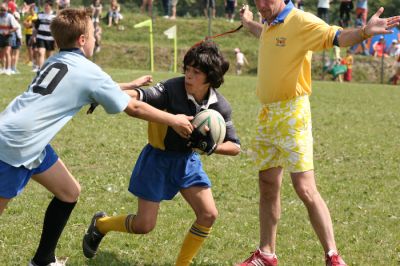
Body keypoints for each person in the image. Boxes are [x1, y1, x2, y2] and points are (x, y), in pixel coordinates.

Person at [0, 8, 193, 266]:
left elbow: (94, 87)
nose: (95, 39)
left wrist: (129, 84)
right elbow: (132, 107)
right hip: (18, 144)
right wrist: (174, 119)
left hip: (22, 135)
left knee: (69, 192)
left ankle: (43, 260)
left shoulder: (55, 61)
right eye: (93, 34)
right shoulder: (88, 71)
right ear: (82, 39)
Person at [238, 1, 400, 265]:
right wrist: (247, 22)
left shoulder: (302, 21)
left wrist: (364, 32)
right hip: (267, 114)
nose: (261, 5)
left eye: (267, 0)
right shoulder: (270, 22)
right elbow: (265, 35)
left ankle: (333, 256)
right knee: (268, 184)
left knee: (304, 187)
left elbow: (336, 36)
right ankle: (266, 254)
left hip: (293, 114)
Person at [82, 41, 241, 266]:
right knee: (144, 225)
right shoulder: (171, 89)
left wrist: (211, 147)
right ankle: (101, 225)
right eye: (187, 69)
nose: (188, 75)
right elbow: (139, 96)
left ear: (210, 78)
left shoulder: (219, 106)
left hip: (188, 162)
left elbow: (235, 146)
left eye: (196, 72)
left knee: (208, 214)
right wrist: (109, 95)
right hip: (157, 161)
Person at [32, 0, 56, 71]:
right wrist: (34, 36)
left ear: (51, 6)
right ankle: (41, 70)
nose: (45, 7)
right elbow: (36, 27)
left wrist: (56, 40)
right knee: (40, 52)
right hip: (40, 37)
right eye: (45, 5)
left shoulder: (55, 16)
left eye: (47, 5)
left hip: (50, 38)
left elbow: (56, 29)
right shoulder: (40, 15)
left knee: (49, 56)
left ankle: (48, 70)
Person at [0, 3, 18, 75]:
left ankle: (8, 69)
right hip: (0, 36)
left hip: (8, 36)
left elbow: (16, 27)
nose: (2, 11)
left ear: (7, 9)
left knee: (7, 52)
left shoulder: (10, 17)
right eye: (1, 10)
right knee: (1, 53)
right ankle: (3, 68)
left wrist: (8, 31)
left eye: (4, 10)